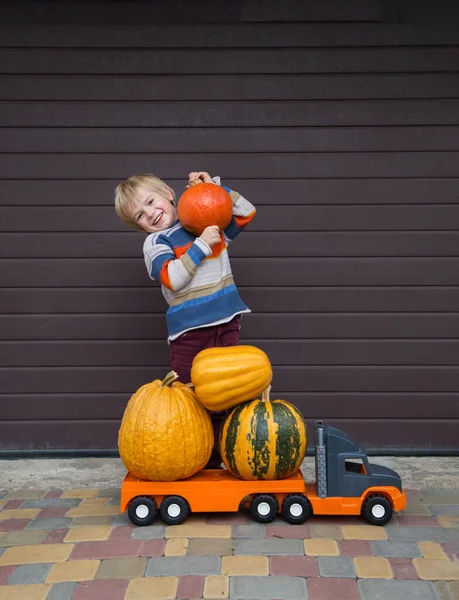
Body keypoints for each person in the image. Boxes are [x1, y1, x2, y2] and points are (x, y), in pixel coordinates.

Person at [114, 171, 256, 467]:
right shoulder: (156, 242)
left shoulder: (203, 219)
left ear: (168, 192)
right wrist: (202, 244)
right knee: (189, 397)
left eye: (151, 201)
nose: (151, 214)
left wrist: (214, 189)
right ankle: (195, 457)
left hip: (226, 323)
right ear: (137, 225)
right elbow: (173, 278)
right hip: (190, 334)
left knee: (228, 392)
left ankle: (225, 456)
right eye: (140, 215)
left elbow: (245, 212)